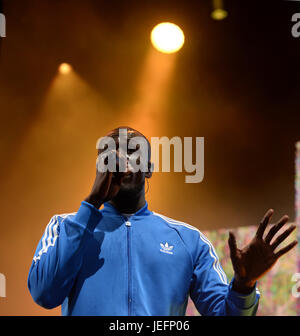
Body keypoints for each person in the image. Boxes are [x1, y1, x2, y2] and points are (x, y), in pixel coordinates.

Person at [27, 126, 297, 316]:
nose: (121, 161)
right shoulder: (65, 226)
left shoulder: (189, 240)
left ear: (149, 168)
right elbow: (44, 294)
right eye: (110, 155)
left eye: (132, 152)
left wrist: (243, 285)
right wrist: (91, 204)